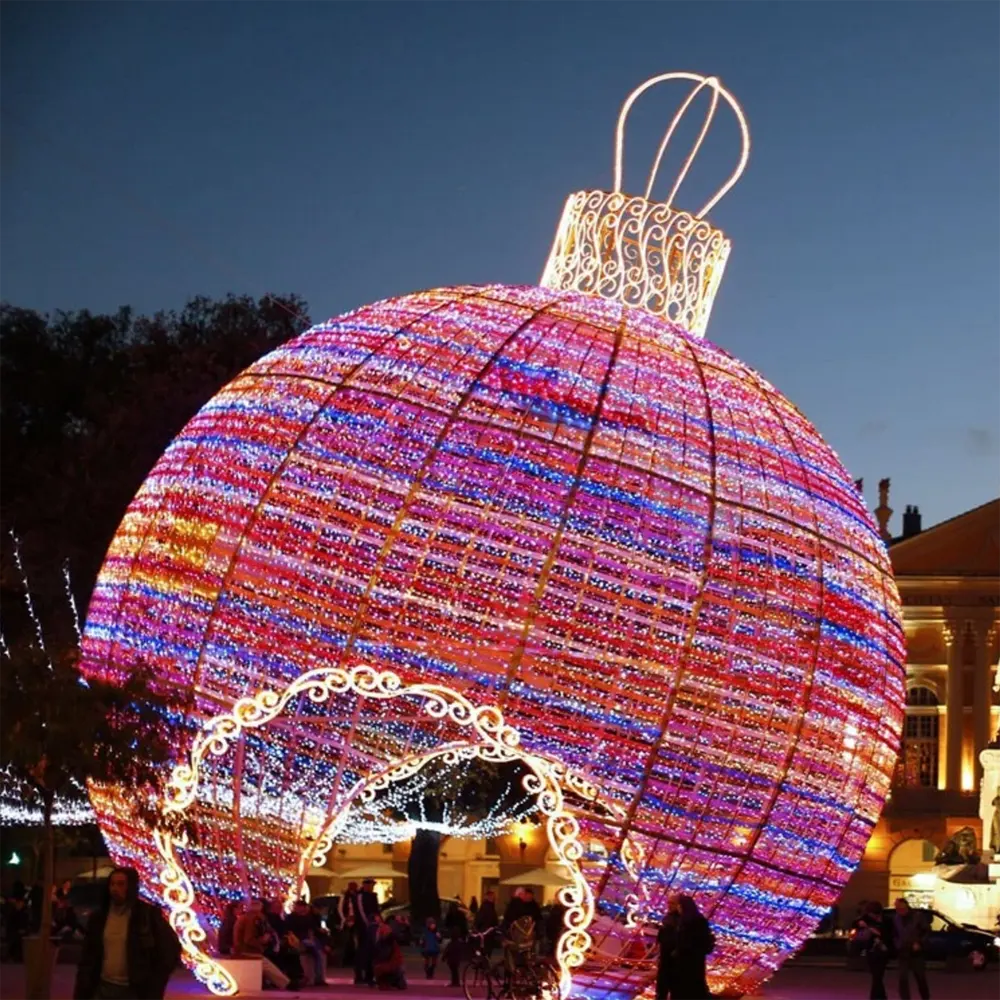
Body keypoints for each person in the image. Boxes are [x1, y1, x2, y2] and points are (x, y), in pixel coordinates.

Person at [73, 866, 181, 1000]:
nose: (115, 889)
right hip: (102, 988)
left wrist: (154, 982)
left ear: (130, 887)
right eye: (112, 884)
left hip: (133, 991)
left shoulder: (146, 915)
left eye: (120, 884)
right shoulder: (99, 918)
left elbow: (169, 951)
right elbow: (88, 955)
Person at [233, 898, 290, 990]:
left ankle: (283, 982)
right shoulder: (252, 919)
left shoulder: (248, 918)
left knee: (269, 961)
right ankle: (286, 983)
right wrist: (262, 941)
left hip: (245, 949)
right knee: (267, 964)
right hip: (247, 951)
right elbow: (249, 939)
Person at [669, 895, 714, 1000]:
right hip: (694, 959)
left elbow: (688, 940)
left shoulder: (688, 921)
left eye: (679, 905)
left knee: (686, 986)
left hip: (687, 959)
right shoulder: (696, 919)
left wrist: (679, 950)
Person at [852, 900, 889, 1000]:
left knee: (878, 976)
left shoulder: (887, 920)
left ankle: (877, 997)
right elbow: (855, 923)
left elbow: (890, 934)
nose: (872, 916)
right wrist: (860, 923)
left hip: (883, 950)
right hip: (871, 950)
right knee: (876, 976)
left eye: (873, 914)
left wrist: (878, 933)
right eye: (870, 914)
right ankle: (880, 997)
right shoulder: (867, 918)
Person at [893, 898, 930, 1000]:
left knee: (920, 977)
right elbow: (895, 933)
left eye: (900, 908)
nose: (899, 910)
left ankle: (925, 997)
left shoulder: (917, 916)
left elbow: (926, 931)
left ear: (906, 906)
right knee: (902, 978)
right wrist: (897, 944)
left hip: (916, 951)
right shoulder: (896, 918)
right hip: (903, 950)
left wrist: (919, 943)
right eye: (897, 908)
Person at [287, 898, 326, 986]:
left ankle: (319, 977)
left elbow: (310, 930)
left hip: (308, 939)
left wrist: (311, 939)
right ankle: (314, 977)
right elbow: (290, 931)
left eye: (303, 907)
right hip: (298, 939)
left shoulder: (308, 917)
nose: (301, 909)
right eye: (299, 907)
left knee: (319, 953)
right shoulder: (291, 917)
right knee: (314, 951)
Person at [354, 877, 381, 986]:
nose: (371, 887)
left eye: (372, 885)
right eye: (369, 885)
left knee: (372, 952)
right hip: (363, 928)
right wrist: (367, 924)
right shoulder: (360, 896)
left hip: (372, 927)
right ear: (365, 885)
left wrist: (377, 923)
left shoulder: (373, 896)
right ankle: (360, 976)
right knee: (362, 952)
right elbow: (361, 911)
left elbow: (376, 911)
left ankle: (370, 976)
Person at [656, 901, 681, 1000]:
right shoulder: (668, 917)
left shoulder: (679, 919)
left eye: (672, 903)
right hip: (665, 953)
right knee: (664, 981)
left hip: (672, 955)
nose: (669, 905)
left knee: (669, 981)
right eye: (669, 903)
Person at [372, 920, 406, 990]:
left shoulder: (385, 942)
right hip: (396, 965)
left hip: (392, 965)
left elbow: (383, 956)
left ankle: (389, 981)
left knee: (379, 968)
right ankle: (394, 981)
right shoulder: (390, 941)